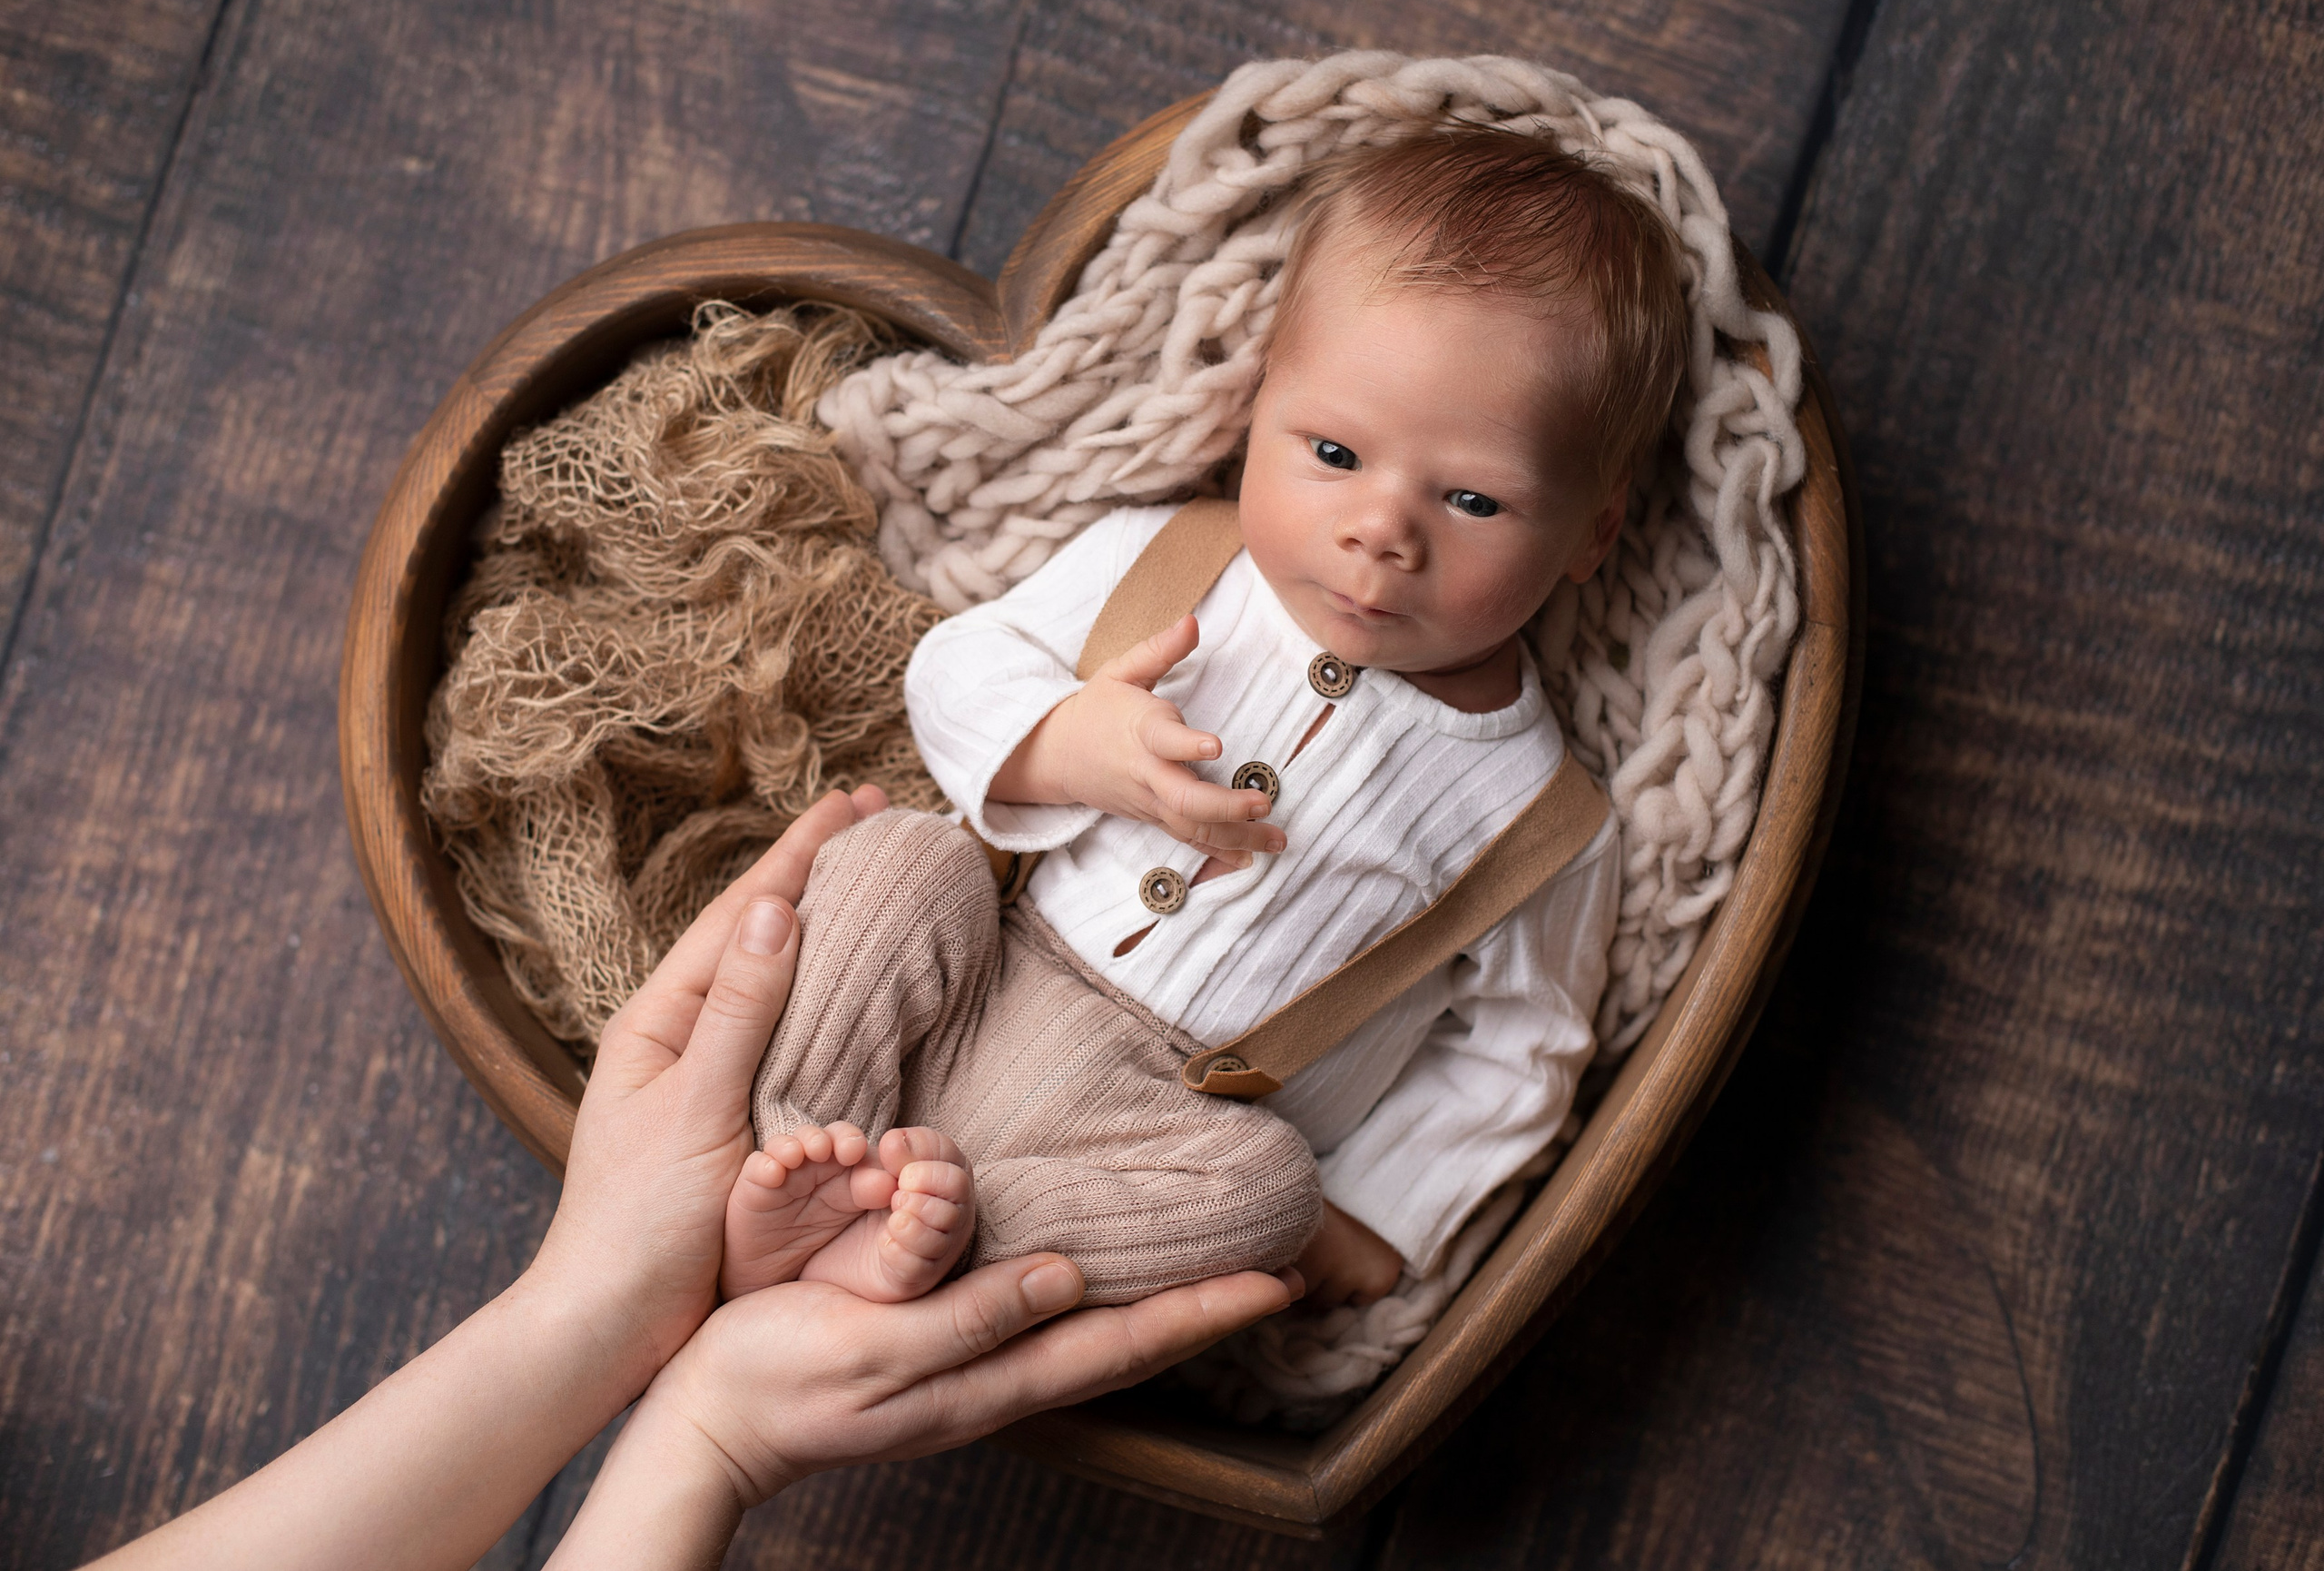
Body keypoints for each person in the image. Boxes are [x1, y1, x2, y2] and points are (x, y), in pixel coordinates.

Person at [729, 125, 1687, 1313]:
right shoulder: (1171, 560)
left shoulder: (1541, 823)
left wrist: (1386, 1207)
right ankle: (801, 1150)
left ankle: (945, 1240)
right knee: (895, 858)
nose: (1383, 529)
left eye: (1474, 498)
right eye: (1334, 451)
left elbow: (1520, 1048)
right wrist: (1064, 742)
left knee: (1270, 1195)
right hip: (982, 966)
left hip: (1163, 1125)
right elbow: (960, 663)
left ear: (1592, 532)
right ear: (1256, 412)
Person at [87, 788, 1300, 1571]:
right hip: (1116, 1125)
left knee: (900, 853)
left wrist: (607, 1296)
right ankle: (903, 1233)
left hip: (939, 1044)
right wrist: (705, 1433)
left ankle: (800, 1168)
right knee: (1272, 1194)